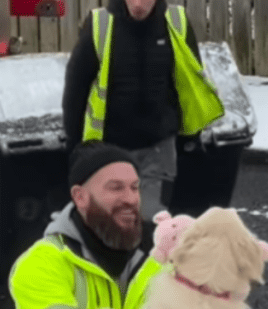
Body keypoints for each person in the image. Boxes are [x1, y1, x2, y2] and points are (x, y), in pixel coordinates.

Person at [8, 141, 164, 309]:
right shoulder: (43, 262)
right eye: (115, 187)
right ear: (80, 197)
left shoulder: (153, 263)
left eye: (134, 187)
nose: (130, 198)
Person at [62, 0, 224, 221]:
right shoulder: (100, 23)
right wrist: (74, 141)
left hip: (159, 147)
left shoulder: (176, 21)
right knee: (116, 222)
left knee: (152, 221)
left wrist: (189, 136)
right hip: (112, 146)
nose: (139, 3)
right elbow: (76, 87)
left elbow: (187, 81)